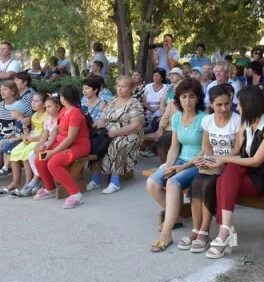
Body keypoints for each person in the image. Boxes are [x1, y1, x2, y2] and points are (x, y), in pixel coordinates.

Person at [201, 86, 264, 259]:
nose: (236, 108)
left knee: (222, 181)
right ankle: (225, 229)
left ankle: (225, 230)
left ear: (250, 105)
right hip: (244, 172)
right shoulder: (245, 123)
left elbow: (256, 161)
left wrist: (224, 160)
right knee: (226, 176)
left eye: (239, 104)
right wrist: (214, 159)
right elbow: (239, 152)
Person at [147, 79, 207, 252]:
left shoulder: (204, 119)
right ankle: (176, 216)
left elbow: (204, 151)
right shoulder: (176, 118)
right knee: (152, 184)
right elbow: (174, 147)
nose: (187, 101)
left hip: (197, 163)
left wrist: (182, 167)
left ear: (198, 98)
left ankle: (166, 233)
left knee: (172, 183)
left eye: (191, 97)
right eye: (183, 97)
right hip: (180, 160)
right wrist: (169, 165)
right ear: (178, 99)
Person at [184, 85, 241, 252]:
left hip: (230, 164)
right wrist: (205, 161)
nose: (224, 108)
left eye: (227, 104)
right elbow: (206, 148)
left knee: (209, 185)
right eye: (219, 105)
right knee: (196, 182)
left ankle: (204, 230)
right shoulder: (207, 120)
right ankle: (196, 228)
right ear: (211, 104)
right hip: (213, 163)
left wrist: (221, 161)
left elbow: (238, 148)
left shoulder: (237, 120)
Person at [25, 86, 90, 208]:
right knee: (39, 159)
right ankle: (50, 189)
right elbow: (56, 129)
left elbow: (70, 138)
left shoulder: (75, 113)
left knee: (53, 163)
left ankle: (76, 195)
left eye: (60, 96)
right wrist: (47, 145)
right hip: (60, 144)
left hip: (78, 146)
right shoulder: (64, 110)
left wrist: (53, 151)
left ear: (64, 98)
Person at [94, 76, 145, 194]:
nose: (120, 89)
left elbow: (135, 126)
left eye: (123, 86)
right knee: (95, 142)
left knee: (117, 144)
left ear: (131, 88)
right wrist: (99, 123)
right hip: (109, 132)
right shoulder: (113, 101)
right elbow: (104, 116)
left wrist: (115, 132)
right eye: (118, 86)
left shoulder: (134, 104)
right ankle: (96, 178)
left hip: (130, 134)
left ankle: (115, 181)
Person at [5, 92, 47, 196]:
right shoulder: (33, 116)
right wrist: (27, 136)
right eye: (32, 101)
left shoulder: (46, 116)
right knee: (14, 152)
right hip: (32, 138)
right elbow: (33, 130)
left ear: (44, 104)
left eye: (36, 101)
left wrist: (32, 138)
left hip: (41, 140)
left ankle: (28, 182)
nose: (33, 103)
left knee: (26, 153)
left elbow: (46, 134)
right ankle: (15, 181)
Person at [142, 68, 168, 134]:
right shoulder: (148, 86)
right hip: (148, 109)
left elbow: (164, 102)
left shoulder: (166, 87)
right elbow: (144, 101)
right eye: (154, 75)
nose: (155, 77)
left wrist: (157, 110)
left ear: (162, 78)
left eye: (157, 76)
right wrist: (151, 109)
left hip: (161, 110)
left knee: (156, 121)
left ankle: (153, 137)